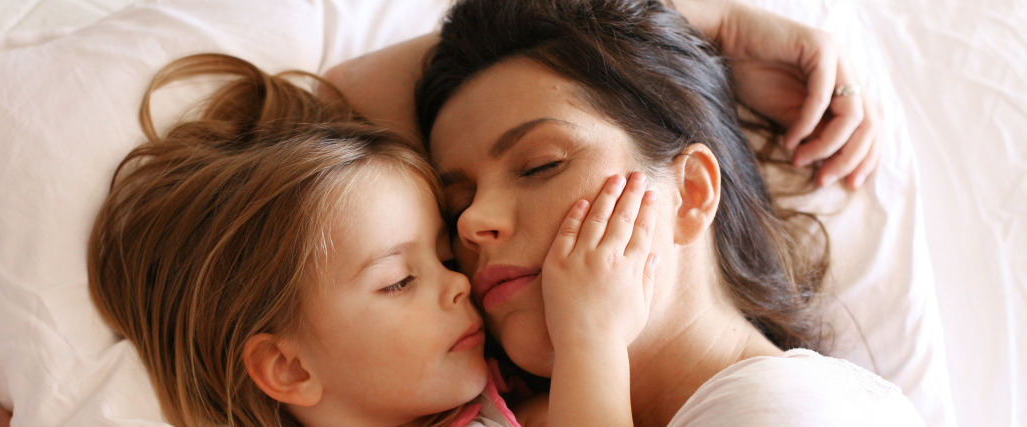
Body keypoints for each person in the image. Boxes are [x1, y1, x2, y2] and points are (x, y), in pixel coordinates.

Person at [330, 0, 923, 425]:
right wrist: (697, 20)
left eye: (540, 166)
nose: (470, 223)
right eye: (453, 203)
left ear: (690, 192)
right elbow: (348, 94)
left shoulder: (796, 410)